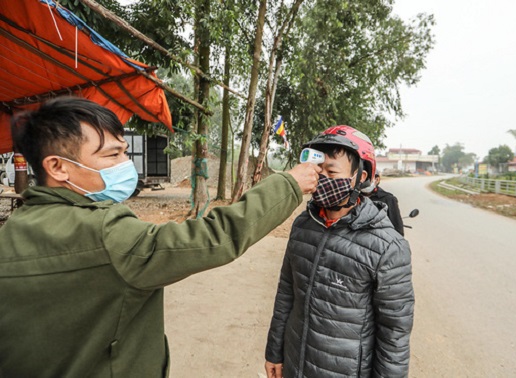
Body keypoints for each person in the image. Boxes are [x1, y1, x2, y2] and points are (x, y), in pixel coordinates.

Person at [0, 97, 321, 377]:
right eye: (112, 156)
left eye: (125, 153)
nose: (126, 165)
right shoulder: (105, 233)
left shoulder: (13, 231)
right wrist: (289, 184)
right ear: (57, 167)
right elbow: (215, 236)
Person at [264, 125, 414, 378]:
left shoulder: (388, 246)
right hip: (294, 363)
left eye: (331, 171)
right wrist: (274, 352)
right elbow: (286, 294)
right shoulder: (303, 224)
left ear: (361, 177)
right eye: (317, 170)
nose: (320, 178)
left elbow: (394, 334)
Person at [365, 170, 405, 236]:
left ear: (377, 180)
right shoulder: (353, 198)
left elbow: (398, 229)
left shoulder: (389, 199)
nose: (362, 181)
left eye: (367, 178)